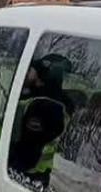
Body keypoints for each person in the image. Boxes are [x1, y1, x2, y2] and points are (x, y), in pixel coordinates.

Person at [7, 54, 74, 182]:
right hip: (37, 176)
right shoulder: (58, 102)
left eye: (30, 70)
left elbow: (29, 146)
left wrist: (9, 169)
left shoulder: (44, 105)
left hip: (26, 177)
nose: (25, 73)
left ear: (41, 75)